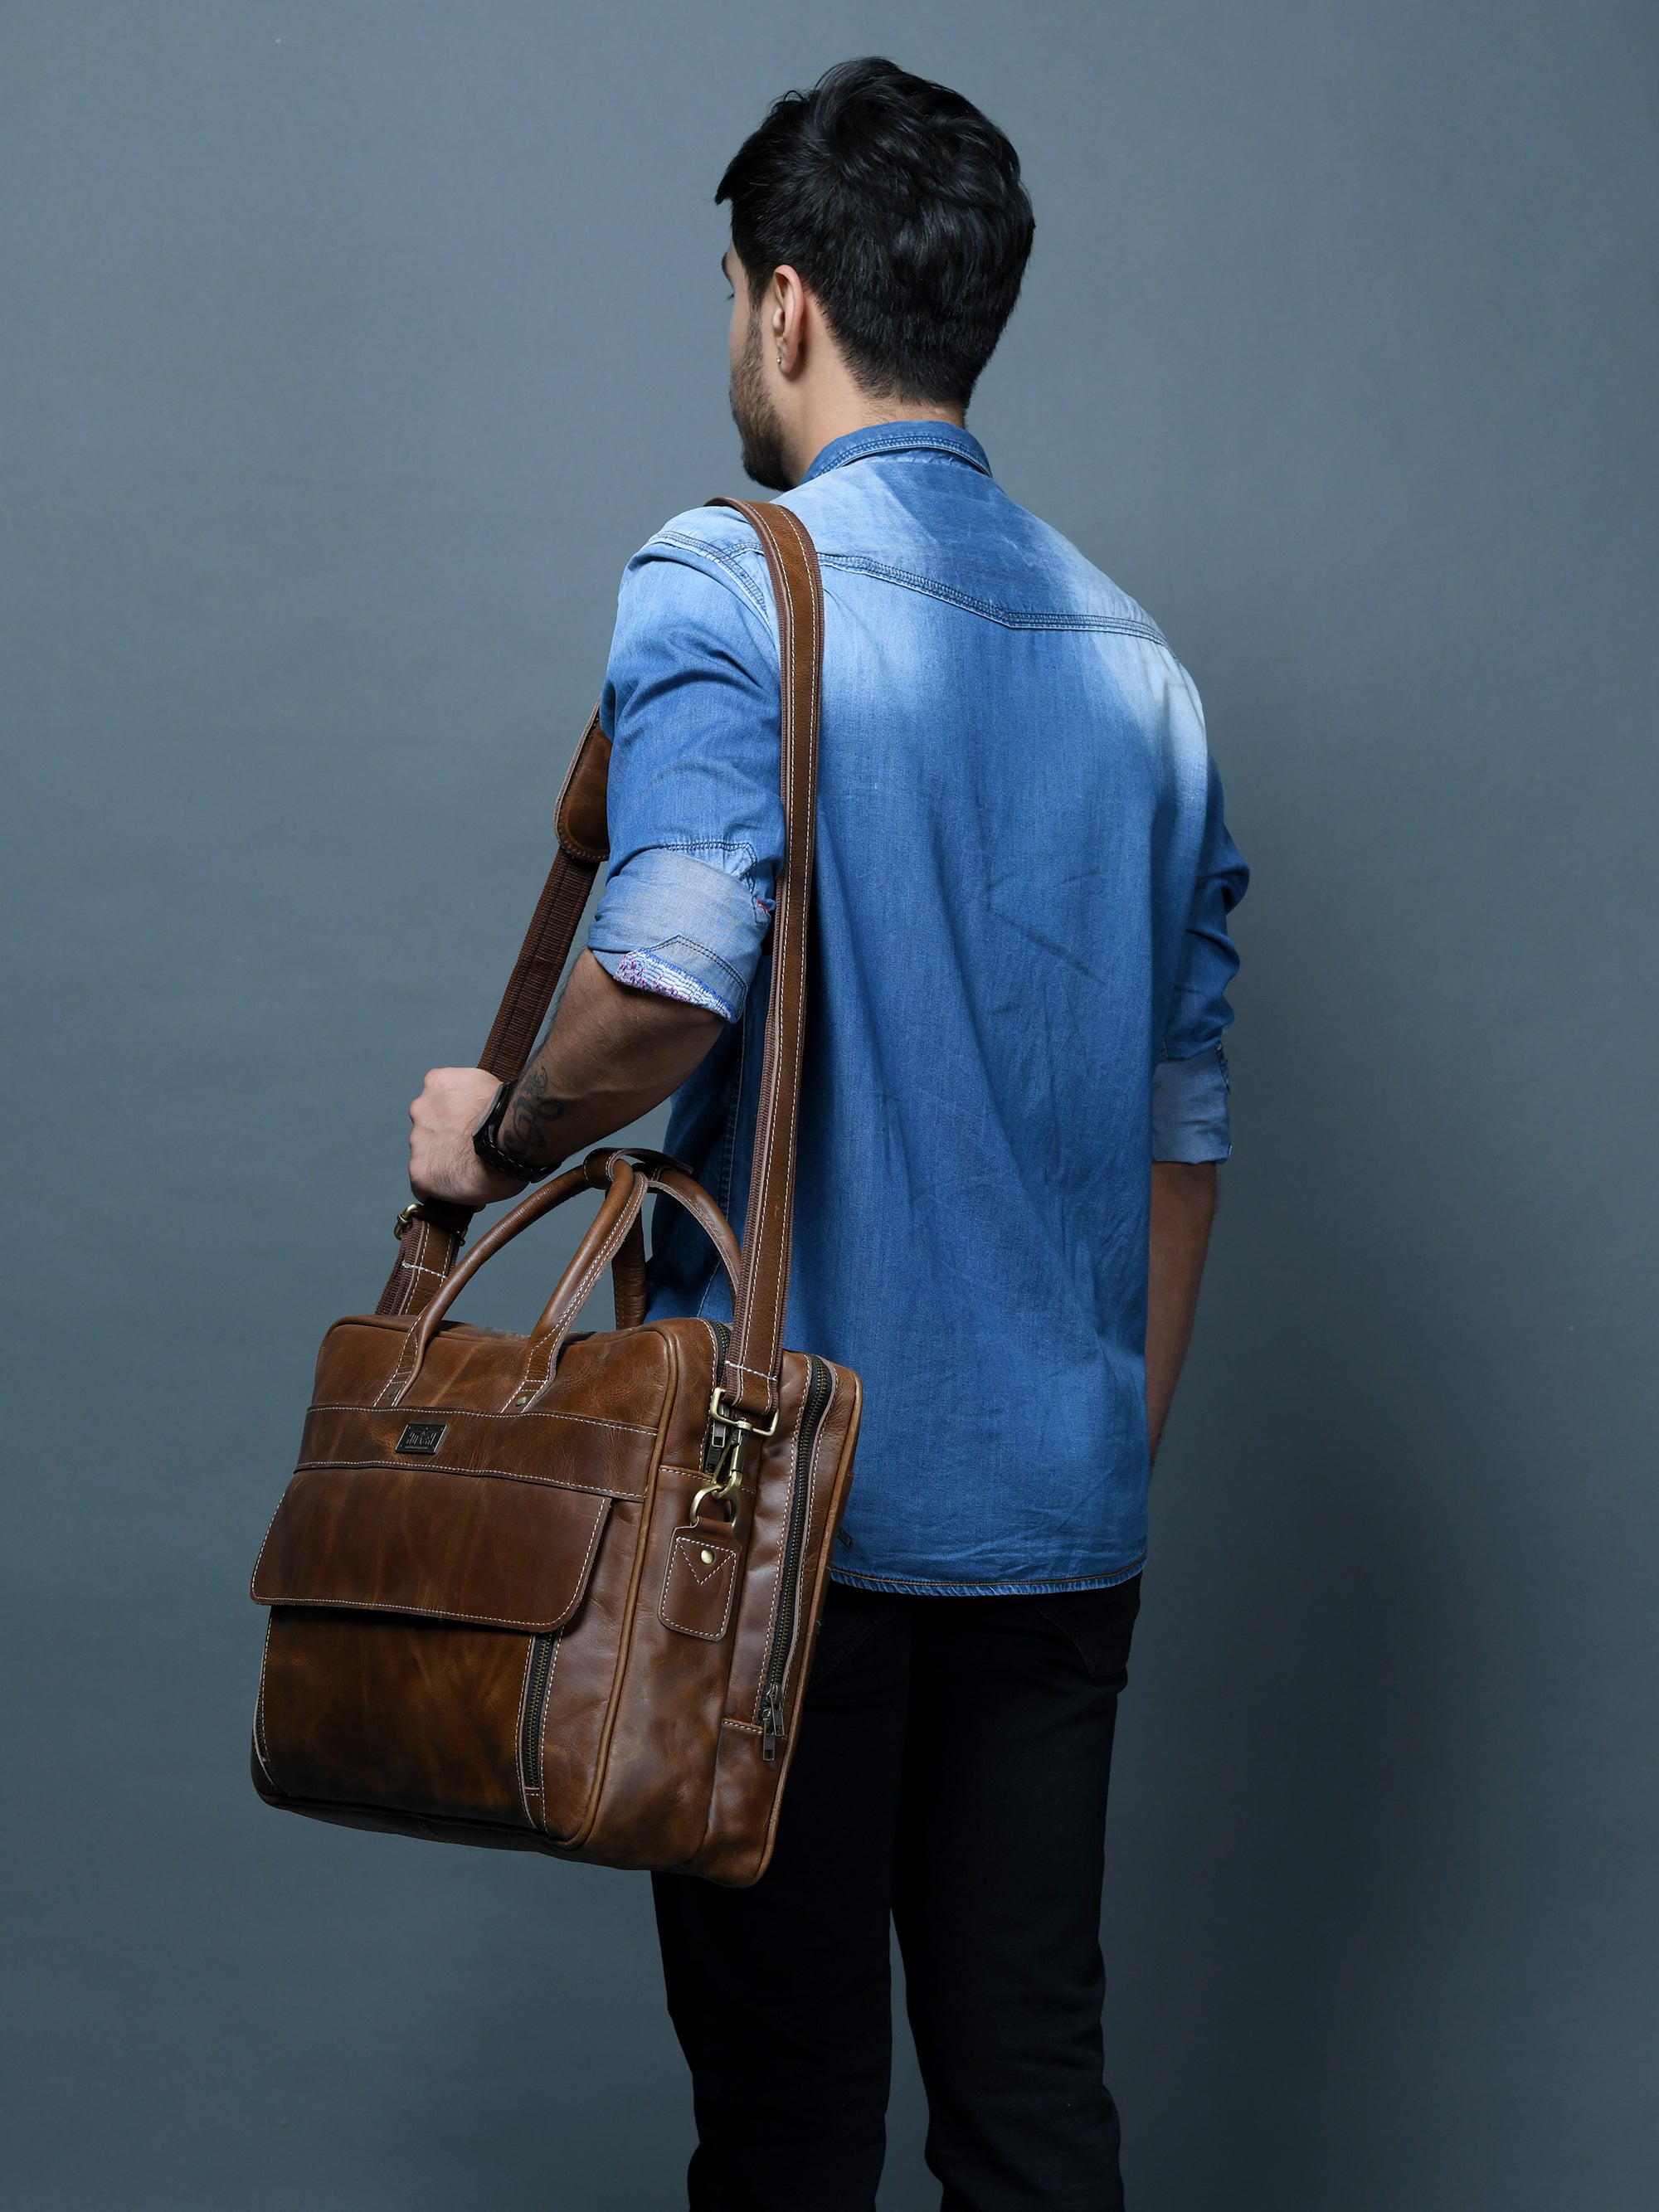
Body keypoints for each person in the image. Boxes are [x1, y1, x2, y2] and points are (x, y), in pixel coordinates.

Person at [407, 56, 1246, 2212]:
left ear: (784, 304)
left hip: (773, 1502)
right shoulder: (1144, 671)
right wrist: (1096, 1441)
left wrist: (493, 1142)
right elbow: (1183, 1121)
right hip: (1065, 1510)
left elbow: (674, 961)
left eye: (727, 298)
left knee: (786, 2128)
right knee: (1033, 2096)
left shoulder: (728, 571)